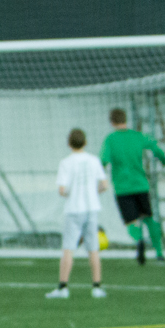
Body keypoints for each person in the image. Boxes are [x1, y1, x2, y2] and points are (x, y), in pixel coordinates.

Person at [47, 128, 108, 299]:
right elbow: (104, 185)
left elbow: (62, 190)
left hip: (74, 209)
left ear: (69, 143)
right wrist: (93, 192)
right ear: (85, 142)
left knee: (68, 248)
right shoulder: (94, 160)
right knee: (93, 249)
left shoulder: (66, 163)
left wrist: (71, 192)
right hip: (92, 208)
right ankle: (97, 286)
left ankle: (63, 287)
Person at [101, 107, 165, 265]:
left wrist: (99, 177)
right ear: (125, 120)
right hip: (141, 185)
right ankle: (159, 253)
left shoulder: (110, 139)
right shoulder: (137, 136)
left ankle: (139, 240)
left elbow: (103, 160)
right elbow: (156, 149)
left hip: (122, 188)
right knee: (148, 218)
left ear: (112, 122)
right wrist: (164, 160)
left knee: (131, 221)